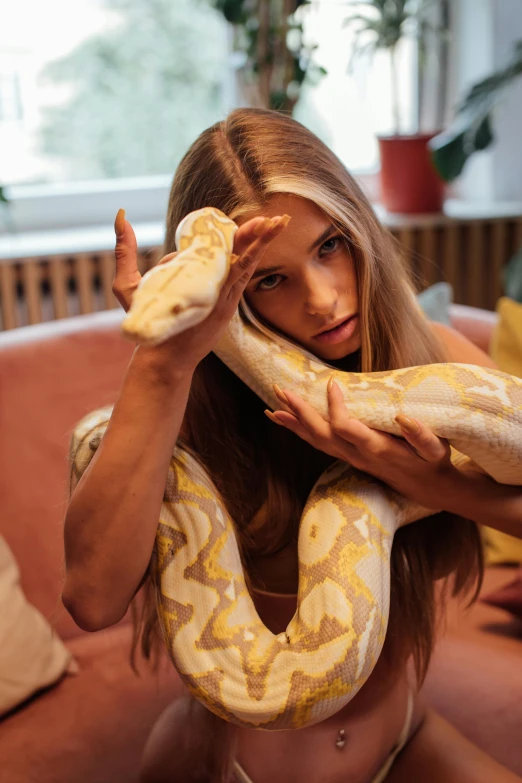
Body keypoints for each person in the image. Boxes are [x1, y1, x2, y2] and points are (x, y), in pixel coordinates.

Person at [62, 108, 522, 783]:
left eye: (330, 244)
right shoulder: (180, 416)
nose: (324, 299)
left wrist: (430, 484)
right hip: (241, 766)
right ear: (228, 287)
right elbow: (92, 599)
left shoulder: (430, 361)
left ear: (359, 222)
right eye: (269, 279)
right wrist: (161, 366)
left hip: (403, 731)